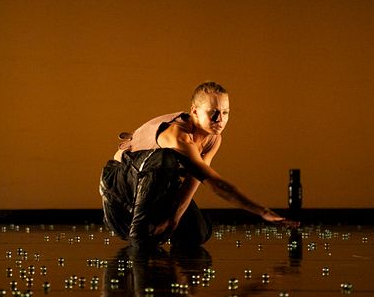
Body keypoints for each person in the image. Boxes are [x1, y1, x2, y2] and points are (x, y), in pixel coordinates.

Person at [99, 81, 297, 249]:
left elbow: (195, 178)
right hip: (118, 192)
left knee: (199, 233)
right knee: (165, 159)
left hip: (150, 189)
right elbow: (216, 184)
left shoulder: (213, 138)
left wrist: (174, 219)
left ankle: (153, 229)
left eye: (225, 112)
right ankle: (139, 234)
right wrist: (262, 212)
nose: (220, 120)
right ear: (194, 111)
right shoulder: (178, 136)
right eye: (213, 113)